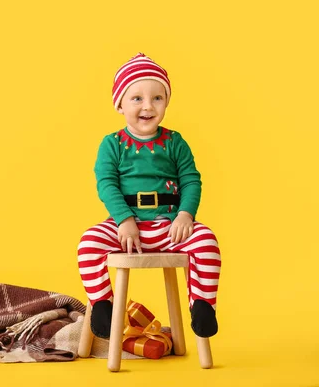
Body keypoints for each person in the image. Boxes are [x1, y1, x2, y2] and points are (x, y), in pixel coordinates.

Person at [77, 53, 221, 339]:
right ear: (119, 104)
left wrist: (185, 214)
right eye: (137, 99)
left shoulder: (175, 142)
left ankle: (203, 305)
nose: (148, 106)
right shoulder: (112, 144)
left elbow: (191, 180)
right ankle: (103, 304)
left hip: (170, 226)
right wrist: (124, 219)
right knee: (88, 243)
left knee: (207, 241)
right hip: (126, 227)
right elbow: (106, 184)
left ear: (166, 102)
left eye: (157, 98)